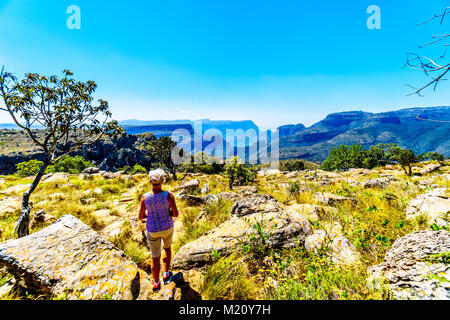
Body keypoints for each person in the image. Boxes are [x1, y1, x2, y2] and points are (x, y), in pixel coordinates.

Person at [138, 168, 179, 291]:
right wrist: (166, 213)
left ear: (150, 182)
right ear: (162, 181)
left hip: (152, 230)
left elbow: (141, 216)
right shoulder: (169, 196)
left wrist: (150, 215)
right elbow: (175, 214)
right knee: (167, 248)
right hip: (167, 227)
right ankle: (166, 275)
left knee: (155, 257)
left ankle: (156, 283)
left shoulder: (145, 197)